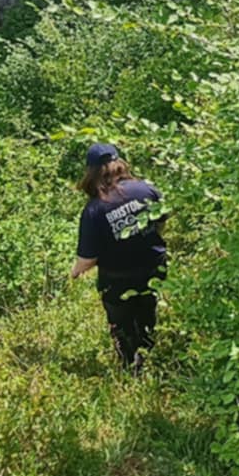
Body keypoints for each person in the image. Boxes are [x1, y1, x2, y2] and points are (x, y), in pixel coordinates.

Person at [67, 143, 168, 372]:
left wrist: (74, 273)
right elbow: (161, 221)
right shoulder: (145, 189)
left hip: (118, 279)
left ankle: (131, 367)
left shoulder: (94, 210)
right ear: (120, 163)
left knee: (122, 324)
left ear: (91, 172)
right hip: (154, 268)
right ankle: (149, 358)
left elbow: (88, 259)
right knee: (147, 311)